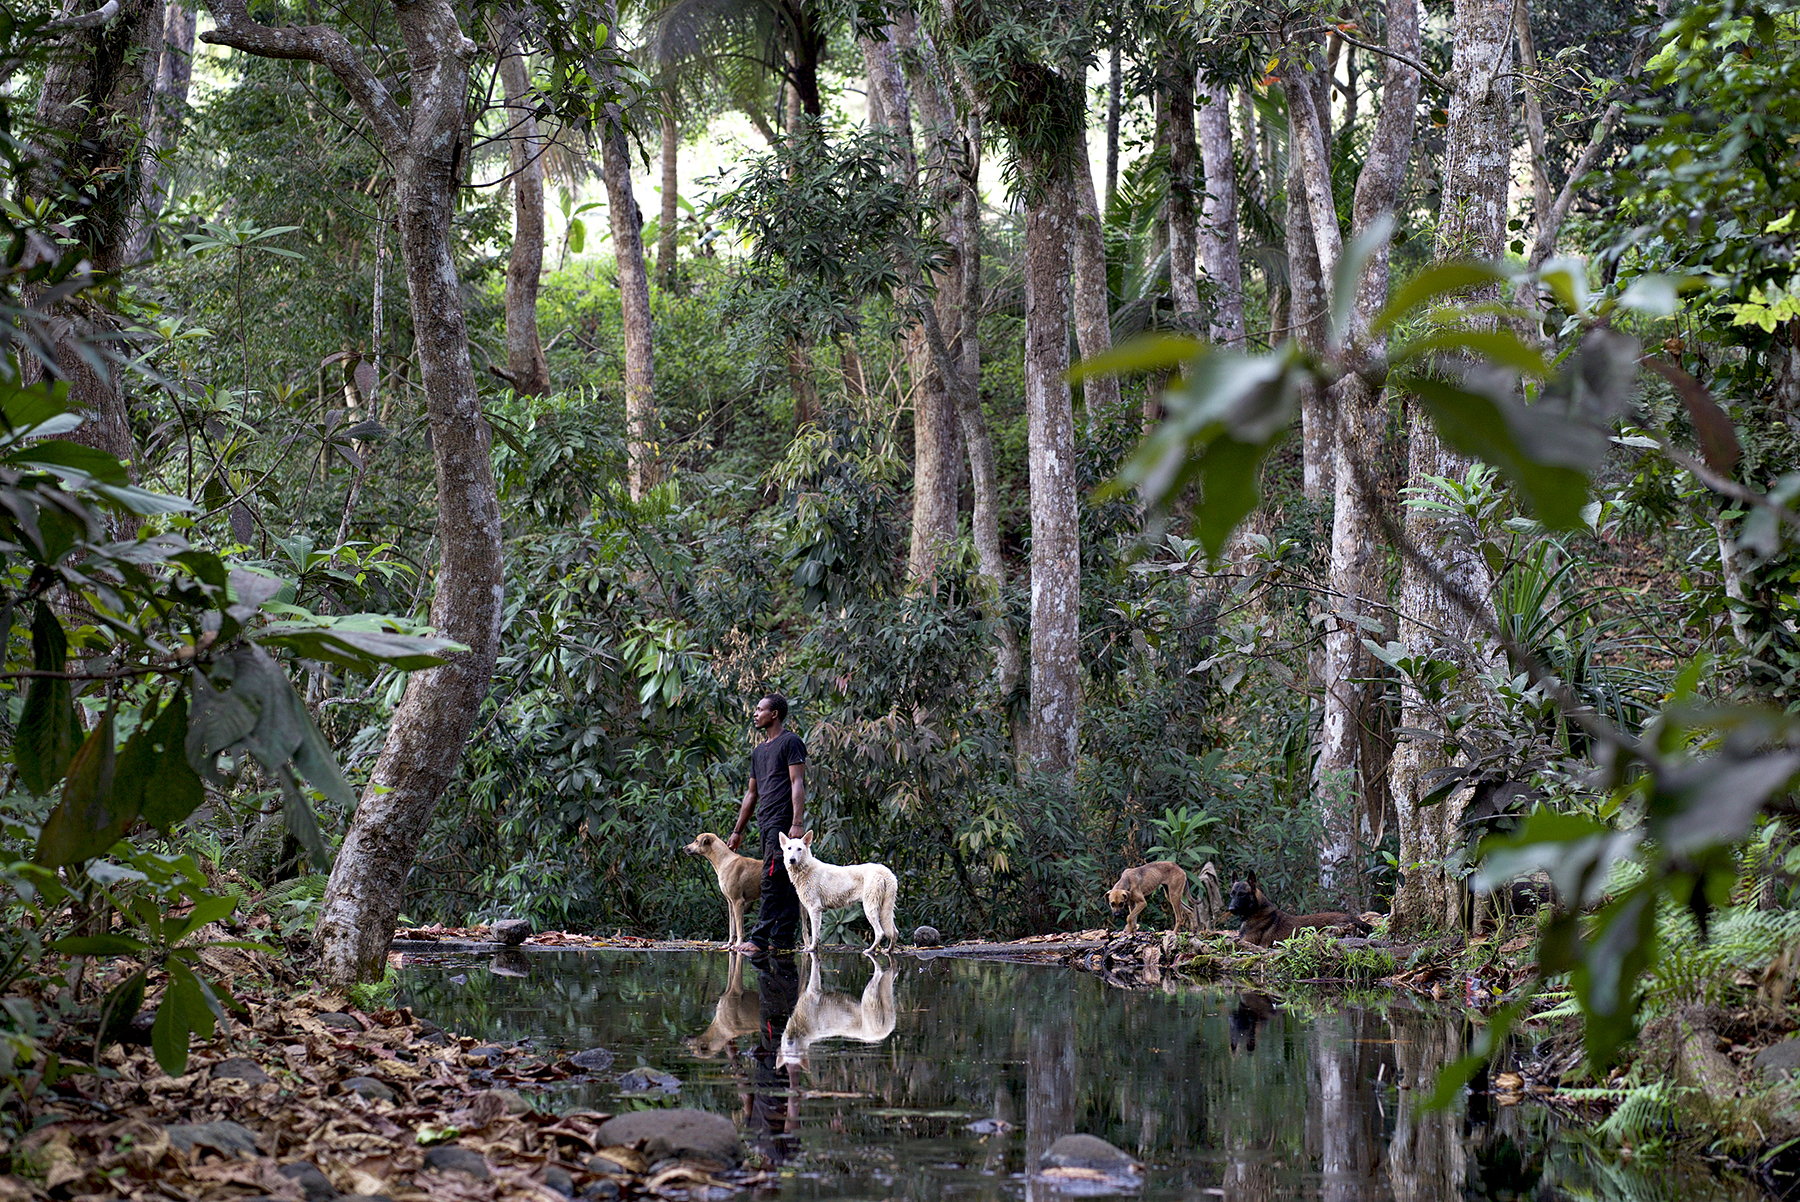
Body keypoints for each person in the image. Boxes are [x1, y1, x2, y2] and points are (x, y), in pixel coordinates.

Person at [726, 693, 806, 953]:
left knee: (771, 878)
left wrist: (796, 822)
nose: (755, 713)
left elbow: (797, 783)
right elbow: (752, 794)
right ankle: (782, 940)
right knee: (785, 881)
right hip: (765, 821)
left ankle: (759, 939)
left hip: (783, 824)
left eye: (760, 709)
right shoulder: (758, 752)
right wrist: (738, 830)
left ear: (774, 714)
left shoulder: (791, 742)